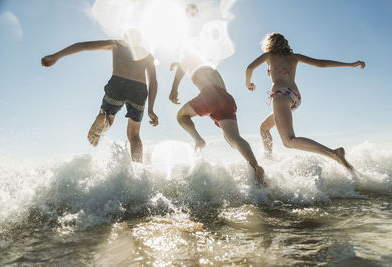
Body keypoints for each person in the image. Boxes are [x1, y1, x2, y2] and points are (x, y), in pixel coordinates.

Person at [245, 32, 365, 170]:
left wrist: (248, 84)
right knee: (264, 128)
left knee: (289, 141)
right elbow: (321, 64)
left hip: (281, 95)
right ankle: (268, 161)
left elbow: (249, 68)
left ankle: (334, 154)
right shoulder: (295, 57)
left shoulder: (269, 56)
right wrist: (350, 64)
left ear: (270, 44)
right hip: (295, 97)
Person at [41, 32, 158, 163]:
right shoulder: (147, 55)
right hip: (139, 90)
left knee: (109, 119)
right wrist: (151, 109)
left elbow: (83, 45)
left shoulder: (116, 44)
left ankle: (103, 119)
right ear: (139, 41)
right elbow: (153, 82)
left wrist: (56, 56)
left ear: (125, 37)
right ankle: (139, 170)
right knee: (134, 135)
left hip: (118, 84)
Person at [169, 50, 265, 185]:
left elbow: (183, 65)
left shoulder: (187, 55)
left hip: (210, 95)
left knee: (181, 116)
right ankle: (255, 168)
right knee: (232, 137)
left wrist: (174, 89)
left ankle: (198, 140)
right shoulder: (207, 65)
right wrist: (178, 63)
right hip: (226, 99)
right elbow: (187, 64)